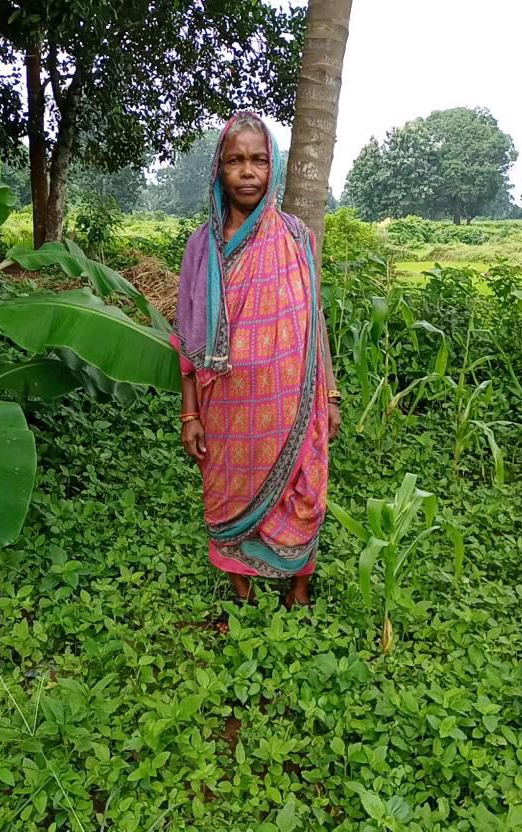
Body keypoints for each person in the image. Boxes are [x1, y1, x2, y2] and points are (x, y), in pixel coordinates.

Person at [170, 112, 340, 611]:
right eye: (235, 160)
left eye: (259, 160)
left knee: (303, 492)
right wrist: (189, 413)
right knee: (228, 492)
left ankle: (298, 589)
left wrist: (329, 395)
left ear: (274, 167)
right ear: (219, 169)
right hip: (226, 408)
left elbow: (314, 320)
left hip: (294, 401)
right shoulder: (202, 247)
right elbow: (187, 336)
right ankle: (241, 595)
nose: (247, 172)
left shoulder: (297, 238)